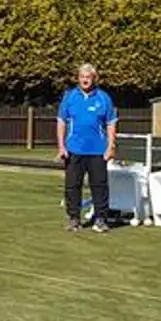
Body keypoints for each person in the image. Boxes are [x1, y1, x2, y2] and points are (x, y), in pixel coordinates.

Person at [56, 63, 117, 232]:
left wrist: (111, 147)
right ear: (78, 78)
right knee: (72, 185)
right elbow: (61, 121)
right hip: (74, 149)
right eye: (82, 77)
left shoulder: (104, 98)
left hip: (98, 150)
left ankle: (101, 219)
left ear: (94, 79)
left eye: (88, 77)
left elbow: (111, 123)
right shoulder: (69, 97)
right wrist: (62, 146)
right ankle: (74, 218)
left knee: (99, 186)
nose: (85, 80)